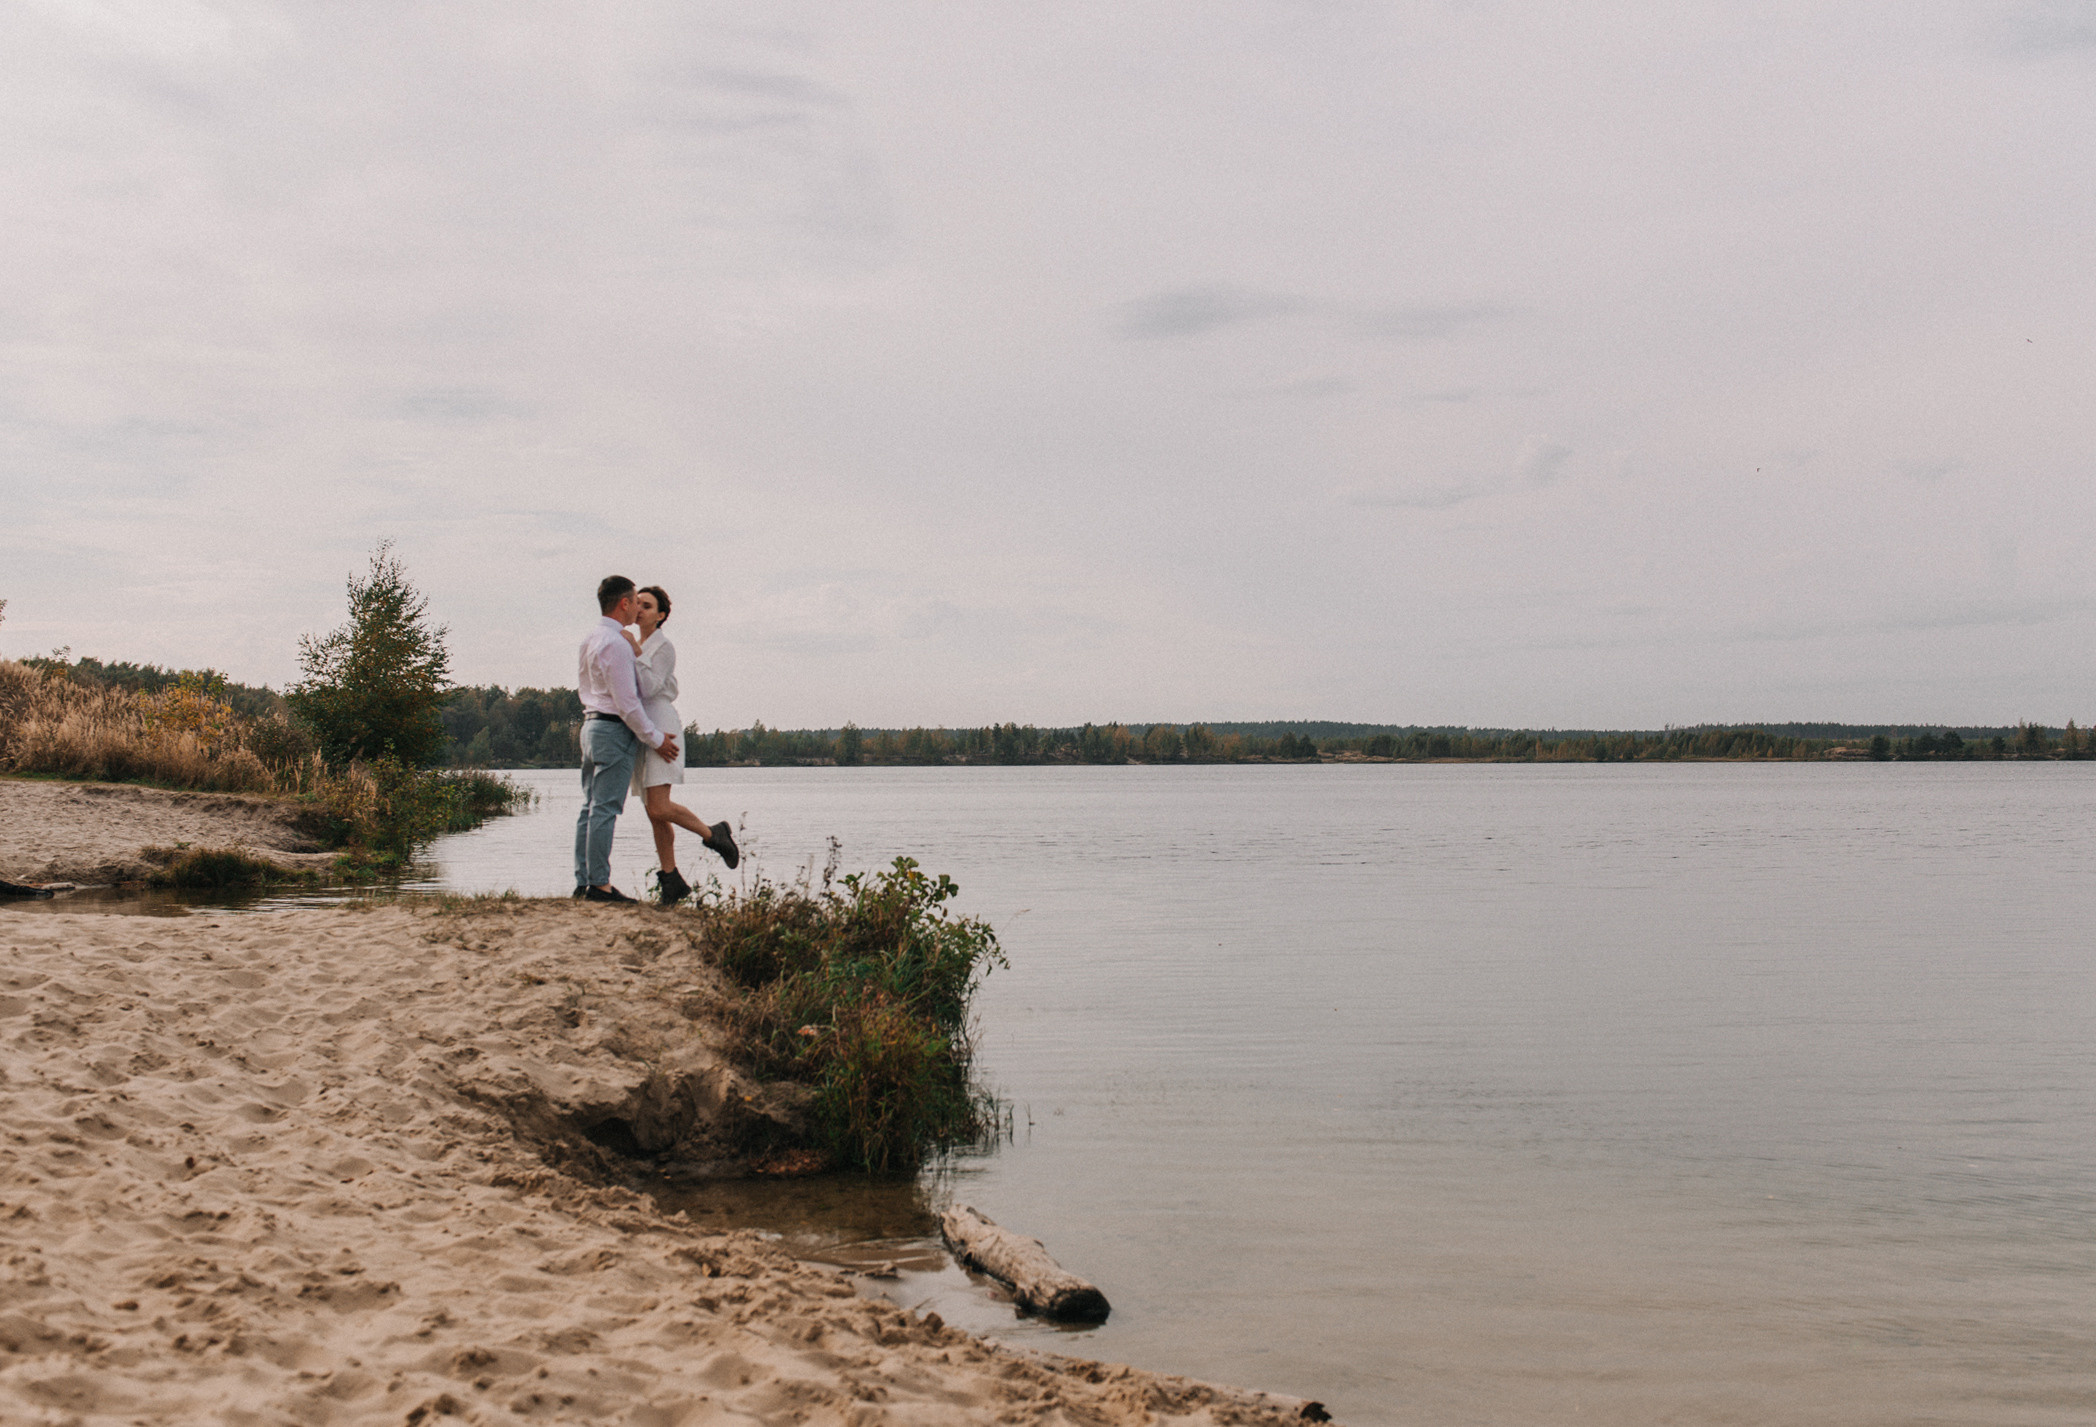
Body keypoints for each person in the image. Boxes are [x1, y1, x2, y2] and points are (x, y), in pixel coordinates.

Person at [622, 584, 739, 905]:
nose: (640, 608)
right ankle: (671, 880)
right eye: (638, 603)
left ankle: (714, 834)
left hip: (662, 727)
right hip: (642, 729)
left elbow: (647, 688)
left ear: (660, 616)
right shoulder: (635, 643)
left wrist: (633, 650)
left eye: (647, 605)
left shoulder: (663, 648)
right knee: (654, 813)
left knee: (660, 806)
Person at [574, 575, 679, 902]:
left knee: (589, 808)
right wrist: (656, 738)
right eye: (635, 601)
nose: (637, 608)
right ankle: (600, 886)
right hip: (612, 729)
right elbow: (628, 703)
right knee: (605, 809)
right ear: (623, 603)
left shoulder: (591, 638)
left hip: (590, 725)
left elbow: (585, 688)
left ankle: (584, 882)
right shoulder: (617, 644)